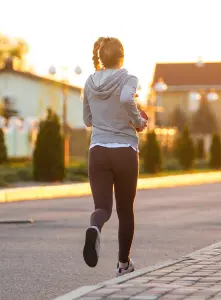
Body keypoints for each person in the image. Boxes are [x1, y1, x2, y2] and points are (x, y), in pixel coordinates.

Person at [82, 37, 148, 277]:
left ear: (100, 58)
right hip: (124, 150)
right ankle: (123, 264)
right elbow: (125, 98)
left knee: (102, 207)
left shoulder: (89, 82)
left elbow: (87, 120)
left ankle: (94, 227)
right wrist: (138, 120)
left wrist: (103, 118)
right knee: (125, 209)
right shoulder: (128, 78)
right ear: (122, 57)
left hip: (98, 151)